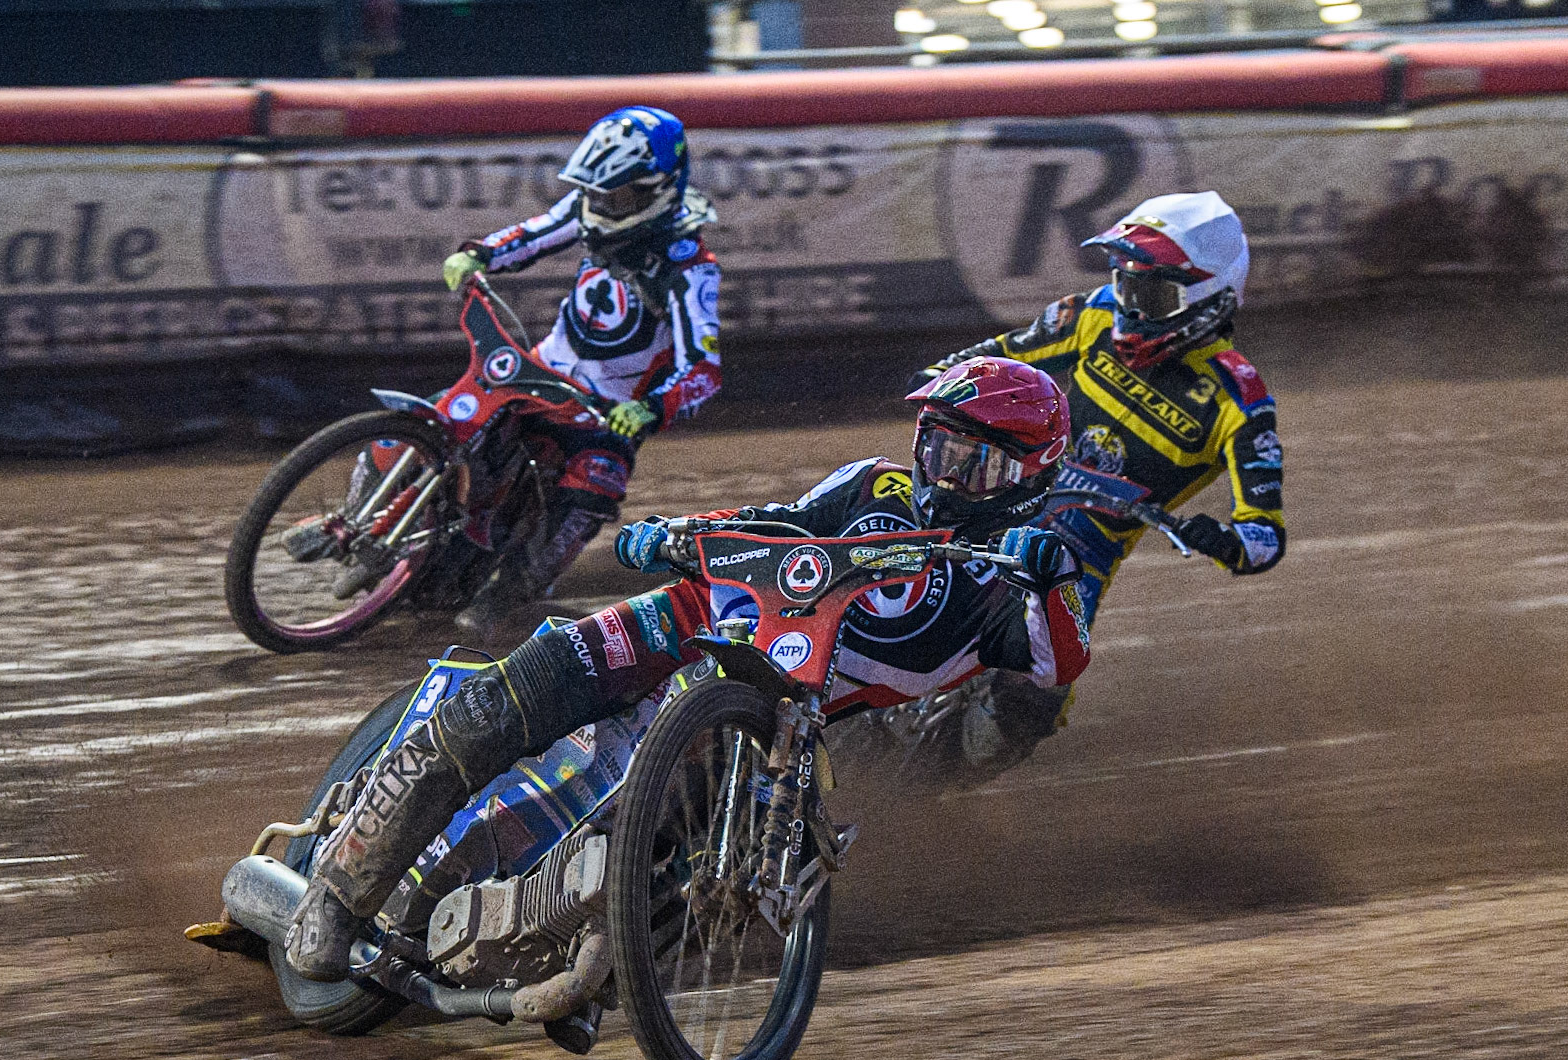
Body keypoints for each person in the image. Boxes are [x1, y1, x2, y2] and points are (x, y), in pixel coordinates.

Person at [284, 357, 1091, 981]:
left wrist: (1050, 582)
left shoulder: (1005, 588)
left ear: (1028, 478)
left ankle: (587, 964)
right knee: (498, 704)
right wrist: (670, 534)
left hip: (773, 729)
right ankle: (335, 898)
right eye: (937, 448)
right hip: (686, 620)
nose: (943, 476)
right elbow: (771, 522)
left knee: (670, 873)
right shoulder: (871, 484)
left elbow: (1059, 662)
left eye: (973, 464)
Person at [908, 191, 1285, 770]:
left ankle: (930, 791)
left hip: (1078, 552)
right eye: (1126, 283)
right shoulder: (1091, 316)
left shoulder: (1240, 400)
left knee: (1034, 690)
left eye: (1151, 293)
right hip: (994, 489)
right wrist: (945, 380)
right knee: (879, 540)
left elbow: (1266, 537)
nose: (1130, 307)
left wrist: (1223, 540)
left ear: (1211, 298)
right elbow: (997, 356)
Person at [440, 105, 722, 634]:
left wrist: (650, 409)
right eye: (594, 192)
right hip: (539, 375)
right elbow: (531, 235)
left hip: (605, 418)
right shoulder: (590, 207)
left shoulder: (690, 269)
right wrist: (478, 254)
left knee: (587, 495)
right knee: (450, 417)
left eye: (613, 196)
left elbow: (704, 370)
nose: (599, 206)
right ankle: (363, 516)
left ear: (655, 189)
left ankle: (502, 601)